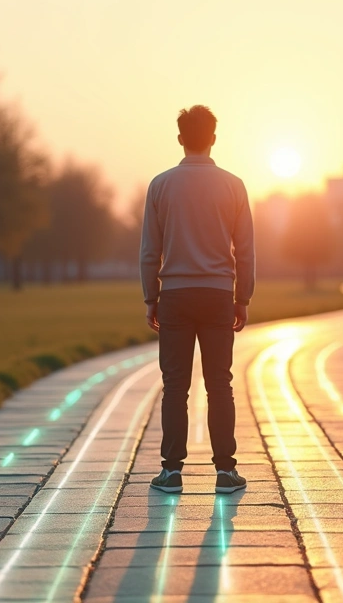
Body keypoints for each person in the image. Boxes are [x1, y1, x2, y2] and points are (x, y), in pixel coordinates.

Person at [140, 105, 255, 494]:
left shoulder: (161, 185)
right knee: (219, 384)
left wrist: (149, 296)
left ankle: (172, 471)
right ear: (213, 139)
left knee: (175, 385)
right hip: (219, 293)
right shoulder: (233, 185)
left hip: (174, 294)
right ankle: (225, 471)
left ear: (180, 139)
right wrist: (243, 297)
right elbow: (246, 249)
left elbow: (148, 250)